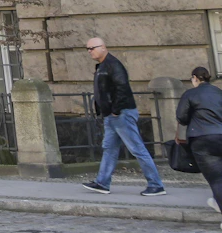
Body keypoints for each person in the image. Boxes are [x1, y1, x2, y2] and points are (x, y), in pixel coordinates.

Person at [83, 37, 166, 196]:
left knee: (137, 149)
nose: (89, 51)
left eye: (92, 48)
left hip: (121, 114)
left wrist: (115, 110)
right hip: (112, 115)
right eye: (88, 49)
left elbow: (122, 88)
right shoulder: (103, 66)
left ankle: (156, 185)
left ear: (103, 47)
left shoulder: (113, 65)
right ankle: (102, 183)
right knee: (109, 149)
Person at [177, 66, 222, 214]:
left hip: (202, 139)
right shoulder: (218, 93)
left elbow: (181, 117)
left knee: (216, 178)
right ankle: (217, 202)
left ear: (195, 78)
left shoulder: (190, 94)